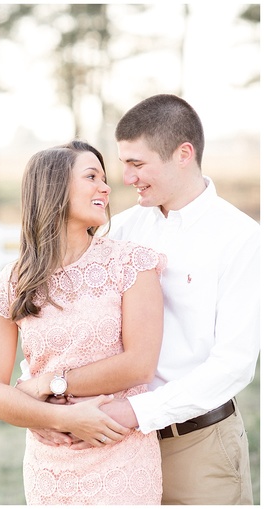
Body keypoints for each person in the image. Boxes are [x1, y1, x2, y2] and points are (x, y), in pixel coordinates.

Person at [0, 140, 166, 504]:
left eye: (104, 178)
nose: (106, 188)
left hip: (119, 451)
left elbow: (140, 365)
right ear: (54, 188)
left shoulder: (132, 264)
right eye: (91, 177)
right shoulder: (13, 282)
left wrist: (51, 384)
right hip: (50, 464)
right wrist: (58, 418)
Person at [102, 94, 259, 504]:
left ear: (183, 154)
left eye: (137, 164)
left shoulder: (241, 239)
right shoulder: (121, 229)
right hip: (119, 446)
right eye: (123, 164)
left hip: (198, 446)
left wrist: (138, 413)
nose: (126, 177)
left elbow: (235, 365)